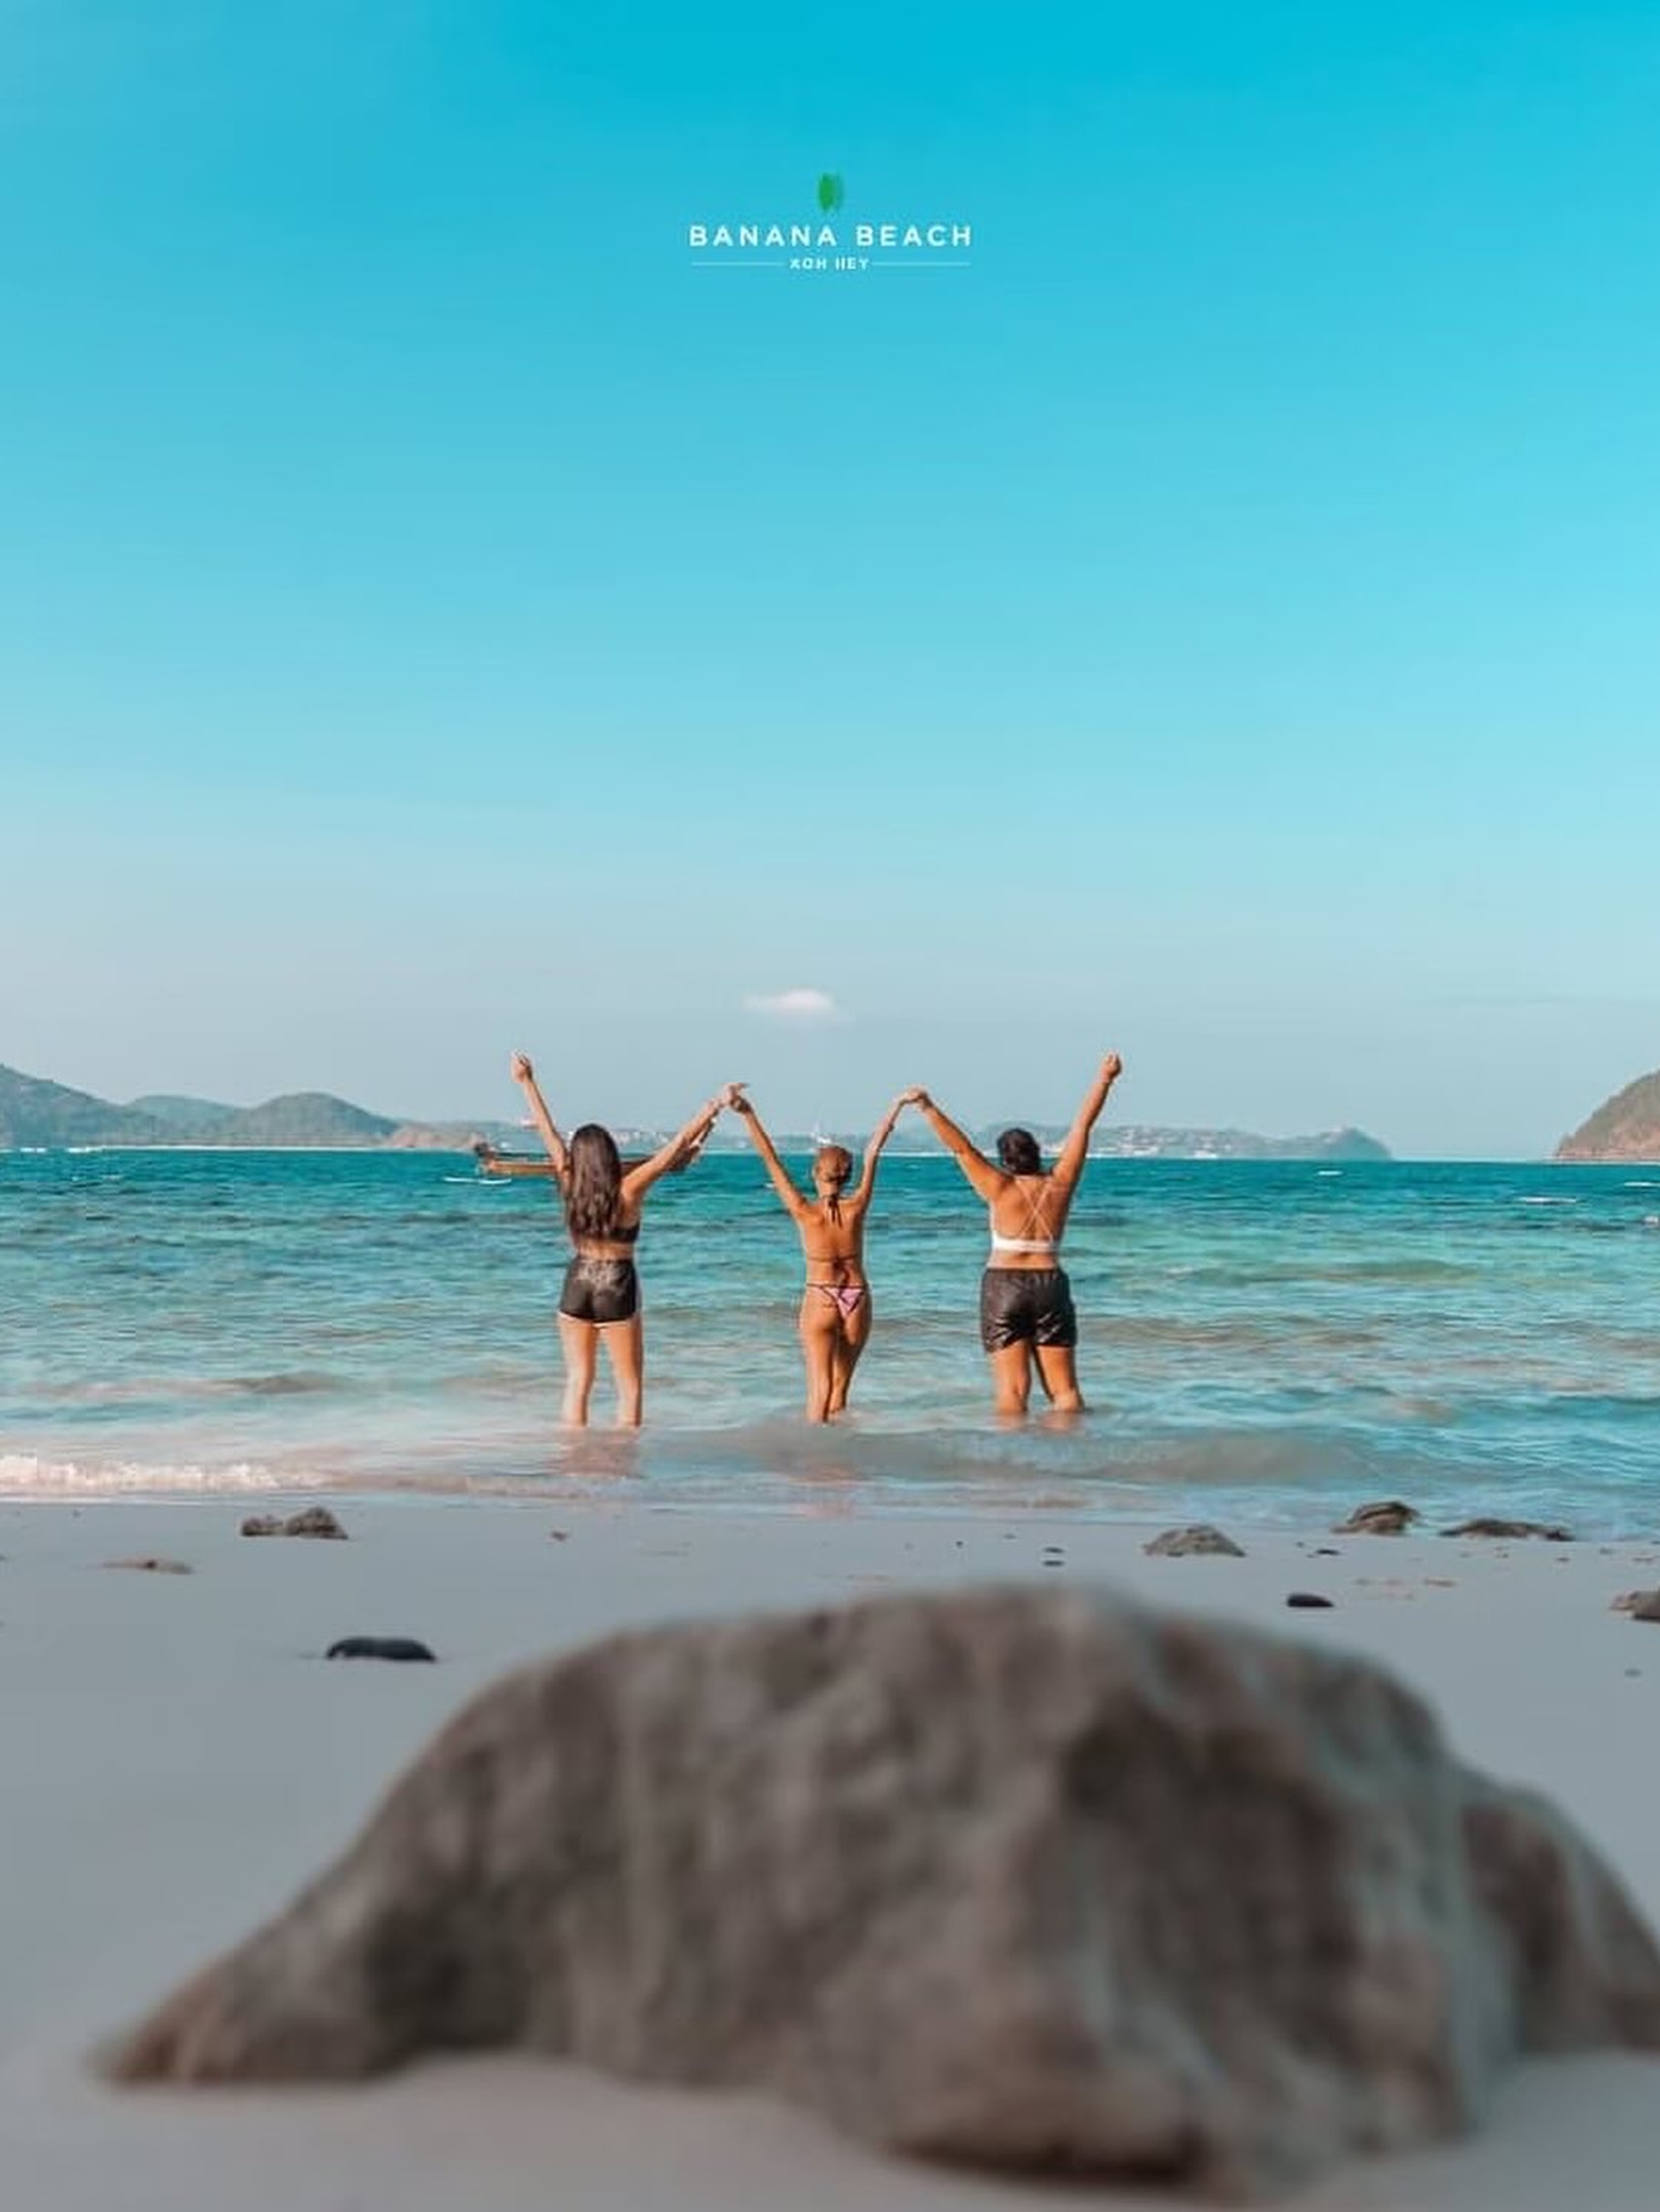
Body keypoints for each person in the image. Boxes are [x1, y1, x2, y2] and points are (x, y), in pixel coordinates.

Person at [510, 1052, 741, 1428]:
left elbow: (547, 1132)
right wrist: (715, 1105)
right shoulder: (629, 1190)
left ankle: (572, 1455)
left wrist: (526, 1082)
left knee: (578, 1381)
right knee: (629, 1387)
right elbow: (677, 1146)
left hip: (577, 1280)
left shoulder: (568, 1181)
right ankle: (624, 1461)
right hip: (616, 1283)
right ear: (609, 1155)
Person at [904, 1053, 1124, 1416]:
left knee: (1012, 1391)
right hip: (1049, 1282)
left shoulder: (997, 1186)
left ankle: (1011, 1453)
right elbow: (1082, 1127)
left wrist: (927, 1107)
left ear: (1005, 1161)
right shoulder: (1060, 1183)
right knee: (1065, 1391)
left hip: (1003, 1285)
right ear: (1037, 1153)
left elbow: (961, 1148)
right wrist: (1105, 1079)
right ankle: (1073, 1451)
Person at [731, 1092, 906, 1423]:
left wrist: (748, 1113)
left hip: (820, 1295)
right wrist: (896, 1106)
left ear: (815, 1173)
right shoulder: (858, 1206)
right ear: (847, 1176)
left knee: (818, 1391)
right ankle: (839, 1451)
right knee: (840, 1389)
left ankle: (815, 1451)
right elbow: (873, 1151)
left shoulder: (804, 1212)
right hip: (856, 1296)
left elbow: (771, 1160)